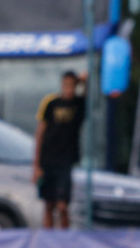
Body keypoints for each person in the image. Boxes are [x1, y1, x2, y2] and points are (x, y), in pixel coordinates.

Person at [33, 71, 86, 229]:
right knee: (49, 204)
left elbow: (89, 95)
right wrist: (36, 165)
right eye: (66, 85)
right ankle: (49, 240)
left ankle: (64, 240)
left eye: (72, 85)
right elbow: (40, 133)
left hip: (65, 160)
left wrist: (84, 81)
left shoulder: (78, 104)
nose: (69, 89)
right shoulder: (51, 102)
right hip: (48, 160)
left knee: (63, 205)